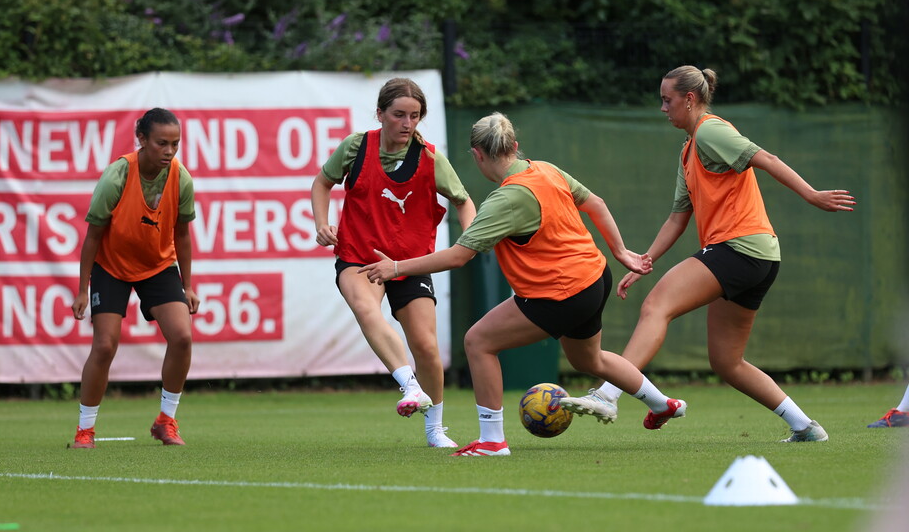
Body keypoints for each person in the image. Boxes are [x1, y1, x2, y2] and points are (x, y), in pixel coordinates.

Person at [360, 112, 687, 457]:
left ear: (477, 155)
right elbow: (597, 204)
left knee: (478, 342)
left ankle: (492, 441)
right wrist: (620, 251)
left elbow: (458, 257)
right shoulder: (545, 169)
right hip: (594, 278)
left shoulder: (505, 200)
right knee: (589, 360)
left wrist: (395, 266)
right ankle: (664, 403)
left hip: (561, 293)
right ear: (515, 147)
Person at [565, 66, 856, 443]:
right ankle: (805, 427)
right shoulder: (688, 149)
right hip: (759, 256)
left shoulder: (710, 130)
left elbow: (765, 158)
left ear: (690, 99)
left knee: (657, 307)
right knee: (727, 362)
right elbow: (677, 218)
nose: (663, 108)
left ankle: (608, 394)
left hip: (739, 247)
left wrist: (812, 194)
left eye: (668, 100)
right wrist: (644, 261)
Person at [310, 78, 477, 448]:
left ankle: (435, 429)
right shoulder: (356, 147)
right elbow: (322, 183)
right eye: (399, 115)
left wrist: (471, 237)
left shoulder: (431, 158)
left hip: (409, 263)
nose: (407, 123)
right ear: (380, 114)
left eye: (415, 116)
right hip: (359, 256)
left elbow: (463, 201)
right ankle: (410, 386)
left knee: (427, 347)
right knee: (366, 309)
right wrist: (322, 223)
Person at [70, 108, 199, 449]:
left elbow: (182, 235)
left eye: (175, 144)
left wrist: (188, 285)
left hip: (158, 264)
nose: (169, 151)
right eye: (161, 143)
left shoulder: (181, 178)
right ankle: (85, 430)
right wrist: (83, 289)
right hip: (110, 266)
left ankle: (165, 422)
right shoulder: (117, 176)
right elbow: (93, 236)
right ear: (142, 140)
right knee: (105, 344)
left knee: (182, 337)